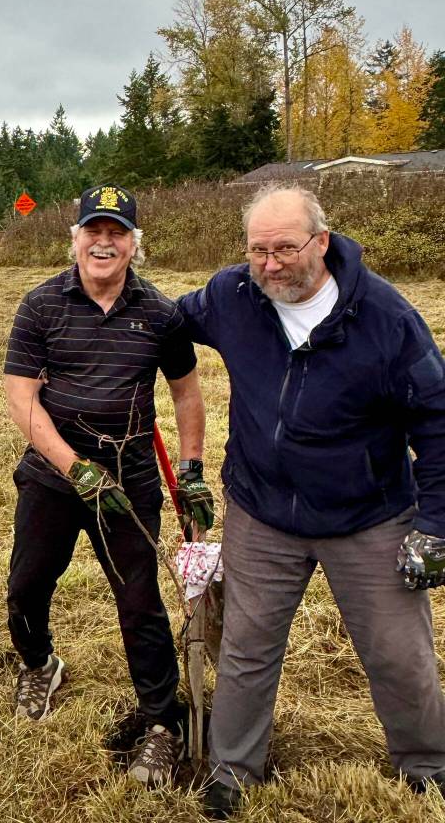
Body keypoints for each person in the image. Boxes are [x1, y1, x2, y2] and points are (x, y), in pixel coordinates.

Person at [177, 186, 445, 819]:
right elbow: (167, 323)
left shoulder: (384, 318)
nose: (270, 265)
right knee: (246, 645)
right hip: (261, 509)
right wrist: (100, 299)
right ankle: (232, 769)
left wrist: (435, 525)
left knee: (398, 652)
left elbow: (437, 422)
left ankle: (427, 765)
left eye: (285, 249)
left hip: (368, 516)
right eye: (258, 251)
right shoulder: (232, 297)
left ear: (321, 243)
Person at [3, 184, 211, 786]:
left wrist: (192, 471)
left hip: (131, 479)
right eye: (93, 230)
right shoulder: (41, 305)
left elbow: (186, 393)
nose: (104, 242)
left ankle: (160, 723)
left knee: (140, 601)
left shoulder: (159, 313)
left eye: (117, 232)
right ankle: (41, 662)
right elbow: (22, 397)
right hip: (53, 475)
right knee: (27, 584)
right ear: (74, 239)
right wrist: (75, 468)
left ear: (133, 245)